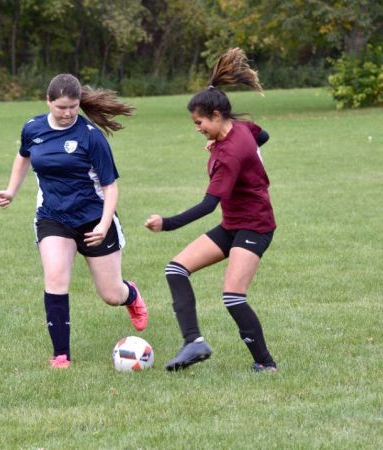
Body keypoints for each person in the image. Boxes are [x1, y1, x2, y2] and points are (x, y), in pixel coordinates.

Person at [0, 74, 147, 369]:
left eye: (73, 107)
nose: (67, 114)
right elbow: (23, 156)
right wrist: (11, 191)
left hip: (94, 219)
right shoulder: (33, 128)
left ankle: (131, 294)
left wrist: (103, 226)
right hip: (52, 217)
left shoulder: (91, 136)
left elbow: (110, 187)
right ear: (48, 101)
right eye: (61, 107)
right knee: (55, 278)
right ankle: (61, 354)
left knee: (111, 294)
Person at [145, 48, 277, 372]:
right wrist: (228, 146)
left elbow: (208, 204)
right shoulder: (241, 128)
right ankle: (194, 342)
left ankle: (266, 364)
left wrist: (168, 223)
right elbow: (263, 135)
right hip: (233, 223)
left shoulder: (230, 153)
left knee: (233, 297)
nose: (197, 128)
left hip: (255, 226)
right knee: (176, 269)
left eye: (199, 122)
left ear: (216, 117)